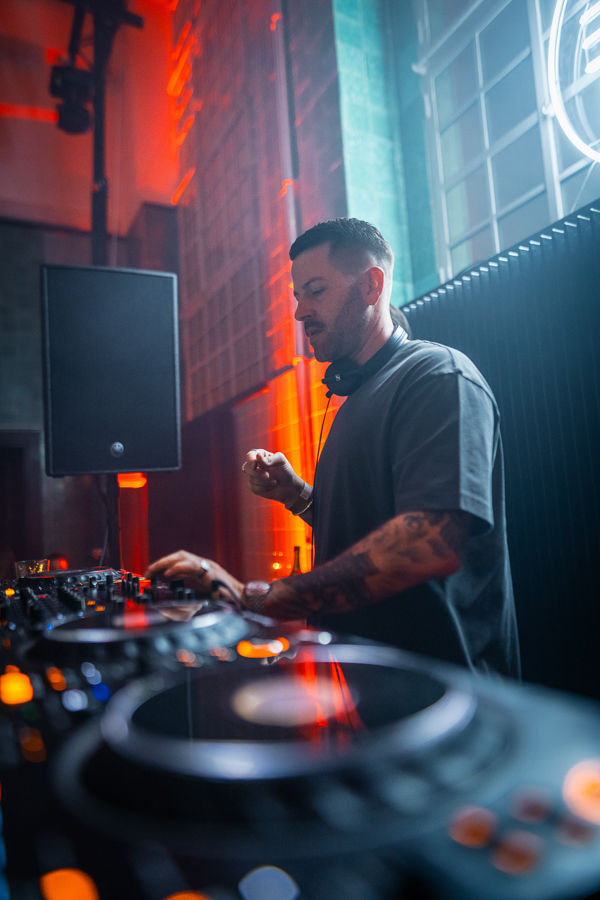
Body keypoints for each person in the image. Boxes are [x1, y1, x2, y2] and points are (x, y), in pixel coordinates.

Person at [147, 218, 520, 677]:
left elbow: (429, 541)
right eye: (297, 296)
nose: (300, 311)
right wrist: (297, 496)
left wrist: (259, 598)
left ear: (371, 285)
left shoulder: (436, 376)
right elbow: (365, 526)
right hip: (374, 686)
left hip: (450, 695)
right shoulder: (354, 397)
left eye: (316, 290)